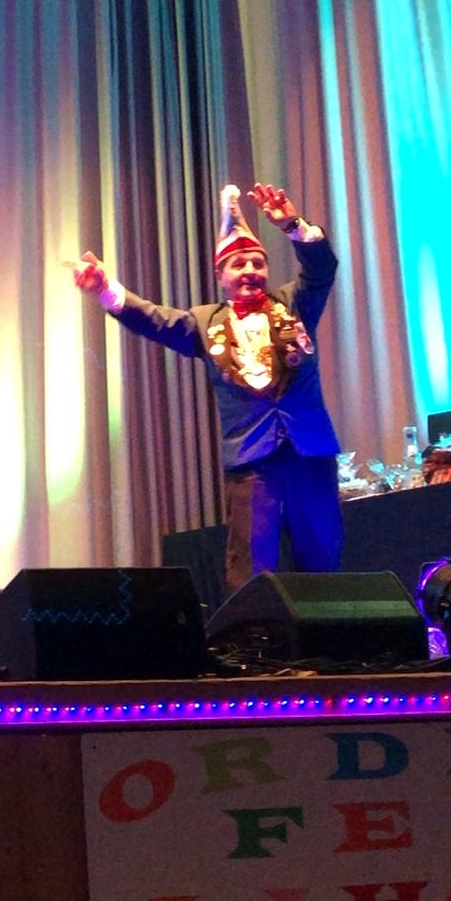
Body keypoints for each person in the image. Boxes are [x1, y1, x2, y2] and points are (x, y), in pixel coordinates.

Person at [72, 183, 342, 595]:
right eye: (239, 264)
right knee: (251, 563)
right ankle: (255, 634)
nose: (250, 270)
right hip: (252, 458)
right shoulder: (204, 323)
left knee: (322, 552)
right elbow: (154, 320)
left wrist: (292, 225)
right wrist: (106, 288)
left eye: (257, 263)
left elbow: (322, 269)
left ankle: (328, 630)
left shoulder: (294, 304)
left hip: (310, 448)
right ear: (220, 276)